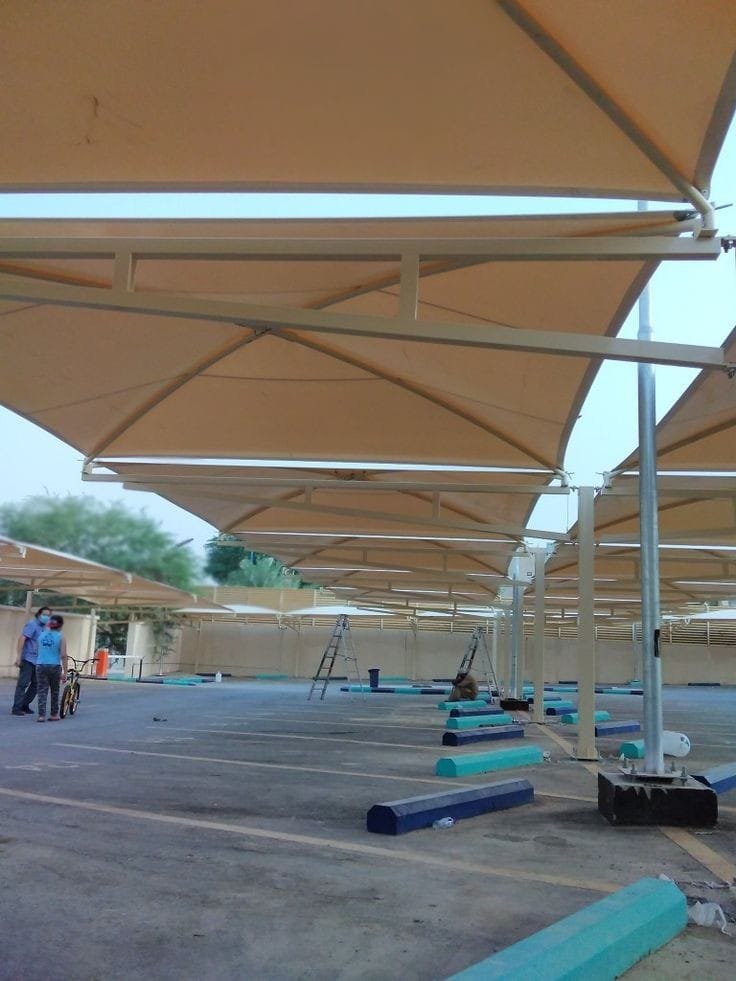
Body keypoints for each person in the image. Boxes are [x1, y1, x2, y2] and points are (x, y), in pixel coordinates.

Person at [11, 605, 51, 716]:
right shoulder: (32, 624)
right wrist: (18, 656)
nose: (46, 617)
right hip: (28, 659)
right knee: (23, 684)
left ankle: (24, 704)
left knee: (37, 684)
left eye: (48, 615)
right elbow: (22, 639)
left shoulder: (47, 628)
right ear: (39, 614)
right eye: (44, 614)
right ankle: (16, 708)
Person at [35, 614, 68, 723]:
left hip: (41, 665)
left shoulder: (41, 635)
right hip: (54, 666)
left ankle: (41, 715)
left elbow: (38, 650)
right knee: (55, 691)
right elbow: (63, 655)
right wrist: (65, 672)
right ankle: (54, 714)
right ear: (61, 625)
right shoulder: (61, 637)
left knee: (42, 690)